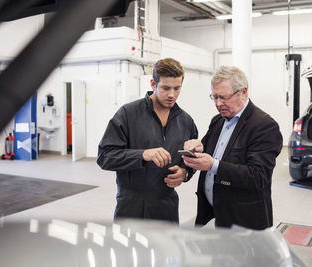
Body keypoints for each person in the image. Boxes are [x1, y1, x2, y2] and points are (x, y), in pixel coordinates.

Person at [97, 58, 198, 223]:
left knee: (166, 249)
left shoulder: (186, 121)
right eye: (165, 88)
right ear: (153, 84)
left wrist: (185, 172)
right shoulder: (127, 114)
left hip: (167, 208)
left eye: (177, 88)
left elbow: (190, 159)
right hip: (132, 207)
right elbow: (105, 157)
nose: (172, 94)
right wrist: (142, 155)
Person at [183, 65, 282, 230]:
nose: (218, 103)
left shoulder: (264, 126)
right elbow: (205, 149)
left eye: (224, 97)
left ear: (243, 92)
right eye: (214, 97)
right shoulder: (218, 121)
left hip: (245, 221)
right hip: (217, 215)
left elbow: (258, 177)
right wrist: (196, 147)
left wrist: (213, 165)